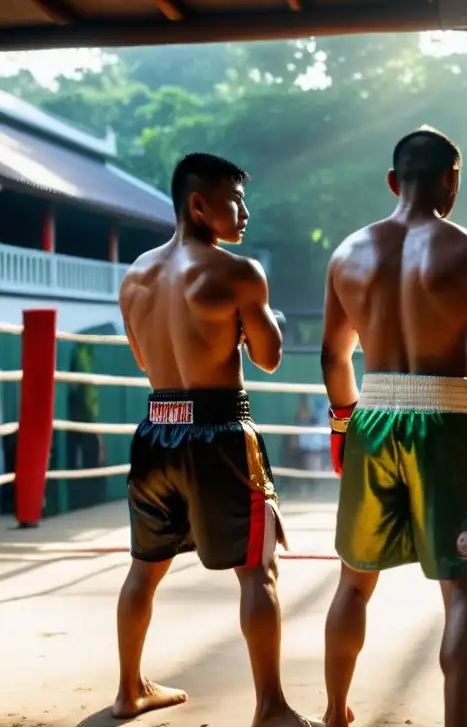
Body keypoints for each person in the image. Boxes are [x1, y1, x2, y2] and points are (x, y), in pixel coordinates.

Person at [320, 127, 467, 727]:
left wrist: (343, 428)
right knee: (463, 591)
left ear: (393, 181)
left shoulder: (347, 253)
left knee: (353, 585)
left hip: (371, 417)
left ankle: (335, 713)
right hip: (443, 422)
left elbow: (335, 359)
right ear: (451, 180)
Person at [115, 153, 318, 726]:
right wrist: (265, 314)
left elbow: (141, 357)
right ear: (199, 204)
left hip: (157, 428)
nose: (245, 212)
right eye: (235, 199)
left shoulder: (135, 276)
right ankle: (271, 706)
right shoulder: (237, 273)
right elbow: (270, 358)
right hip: (222, 432)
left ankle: (129, 691)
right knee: (258, 570)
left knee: (143, 568)